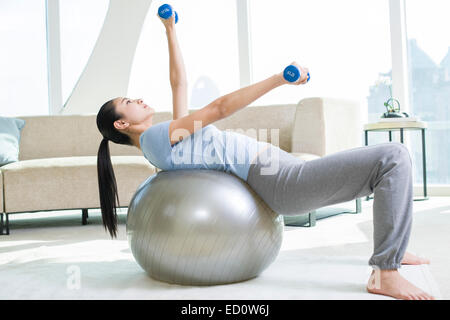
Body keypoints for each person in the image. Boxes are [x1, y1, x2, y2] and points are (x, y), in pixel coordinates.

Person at [95, 10, 434, 300]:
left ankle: (395, 252)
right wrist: (277, 79)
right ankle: (384, 273)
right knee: (393, 156)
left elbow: (178, 84)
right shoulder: (156, 139)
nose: (137, 99)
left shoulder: (165, 141)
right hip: (279, 179)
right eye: (128, 102)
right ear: (122, 124)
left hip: (279, 168)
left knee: (386, 164)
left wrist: (170, 31)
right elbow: (218, 108)